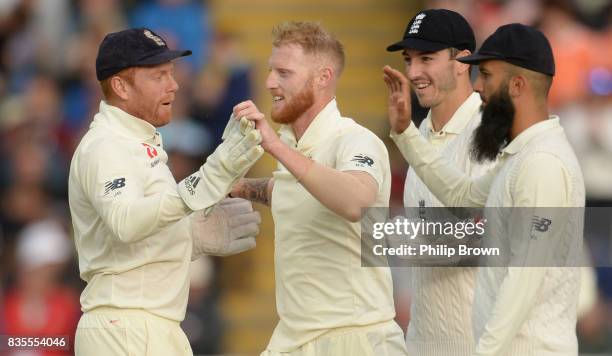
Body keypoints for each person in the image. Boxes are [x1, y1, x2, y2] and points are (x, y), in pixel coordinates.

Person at [384, 23, 585, 355]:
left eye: (487, 76)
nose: (478, 88)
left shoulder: (543, 162)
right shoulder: (520, 155)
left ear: (517, 85)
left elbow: (524, 281)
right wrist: (405, 134)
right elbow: (462, 194)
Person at [68, 28, 263, 356]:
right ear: (120, 86)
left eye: (172, 74)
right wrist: (210, 176)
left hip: (151, 326)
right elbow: (126, 222)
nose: (174, 85)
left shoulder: (136, 142)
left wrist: (188, 236)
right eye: (159, 76)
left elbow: (134, 236)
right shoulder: (106, 145)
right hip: (125, 328)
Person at [229, 21, 408, 356]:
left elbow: (356, 200)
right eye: (270, 71)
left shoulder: (356, 140)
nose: (269, 83)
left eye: (284, 73)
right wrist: (235, 187)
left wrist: (276, 148)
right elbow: (292, 190)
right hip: (293, 339)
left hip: (356, 339)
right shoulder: (296, 149)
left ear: (323, 77)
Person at [384, 9, 488, 356]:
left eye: (426, 58)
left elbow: (486, 241)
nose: (413, 72)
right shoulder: (420, 133)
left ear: (462, 60)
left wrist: (400, 241)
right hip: (423, 343)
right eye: (408, 60)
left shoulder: (492, 132)